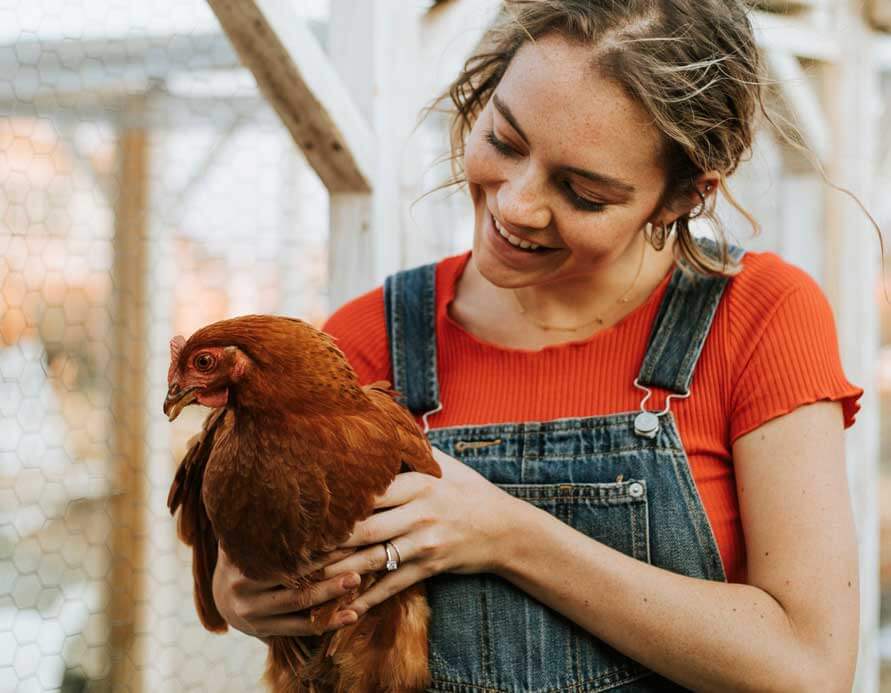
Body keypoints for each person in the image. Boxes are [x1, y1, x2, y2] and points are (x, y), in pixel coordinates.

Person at [211, 1, 867, 690]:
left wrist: (508, 535)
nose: (517, 204)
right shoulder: (366, 339)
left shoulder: (758, 315)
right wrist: (252, 590)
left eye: (583, 192)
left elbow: (807, 667)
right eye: (504, 140)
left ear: (678, 197)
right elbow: (263, 588)